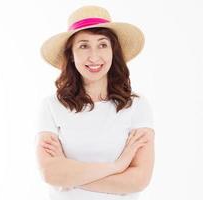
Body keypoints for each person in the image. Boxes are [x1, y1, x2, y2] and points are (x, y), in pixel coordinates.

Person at [35, 5, 155, 200]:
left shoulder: (137, 106)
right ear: (71, 55)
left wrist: (69, 176)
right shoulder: (51, 106)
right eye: (83, 45)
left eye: (102, 45)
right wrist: (116, 167)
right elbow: (50, 173)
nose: (94, 56)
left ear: (113, 51)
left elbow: (139, 180)